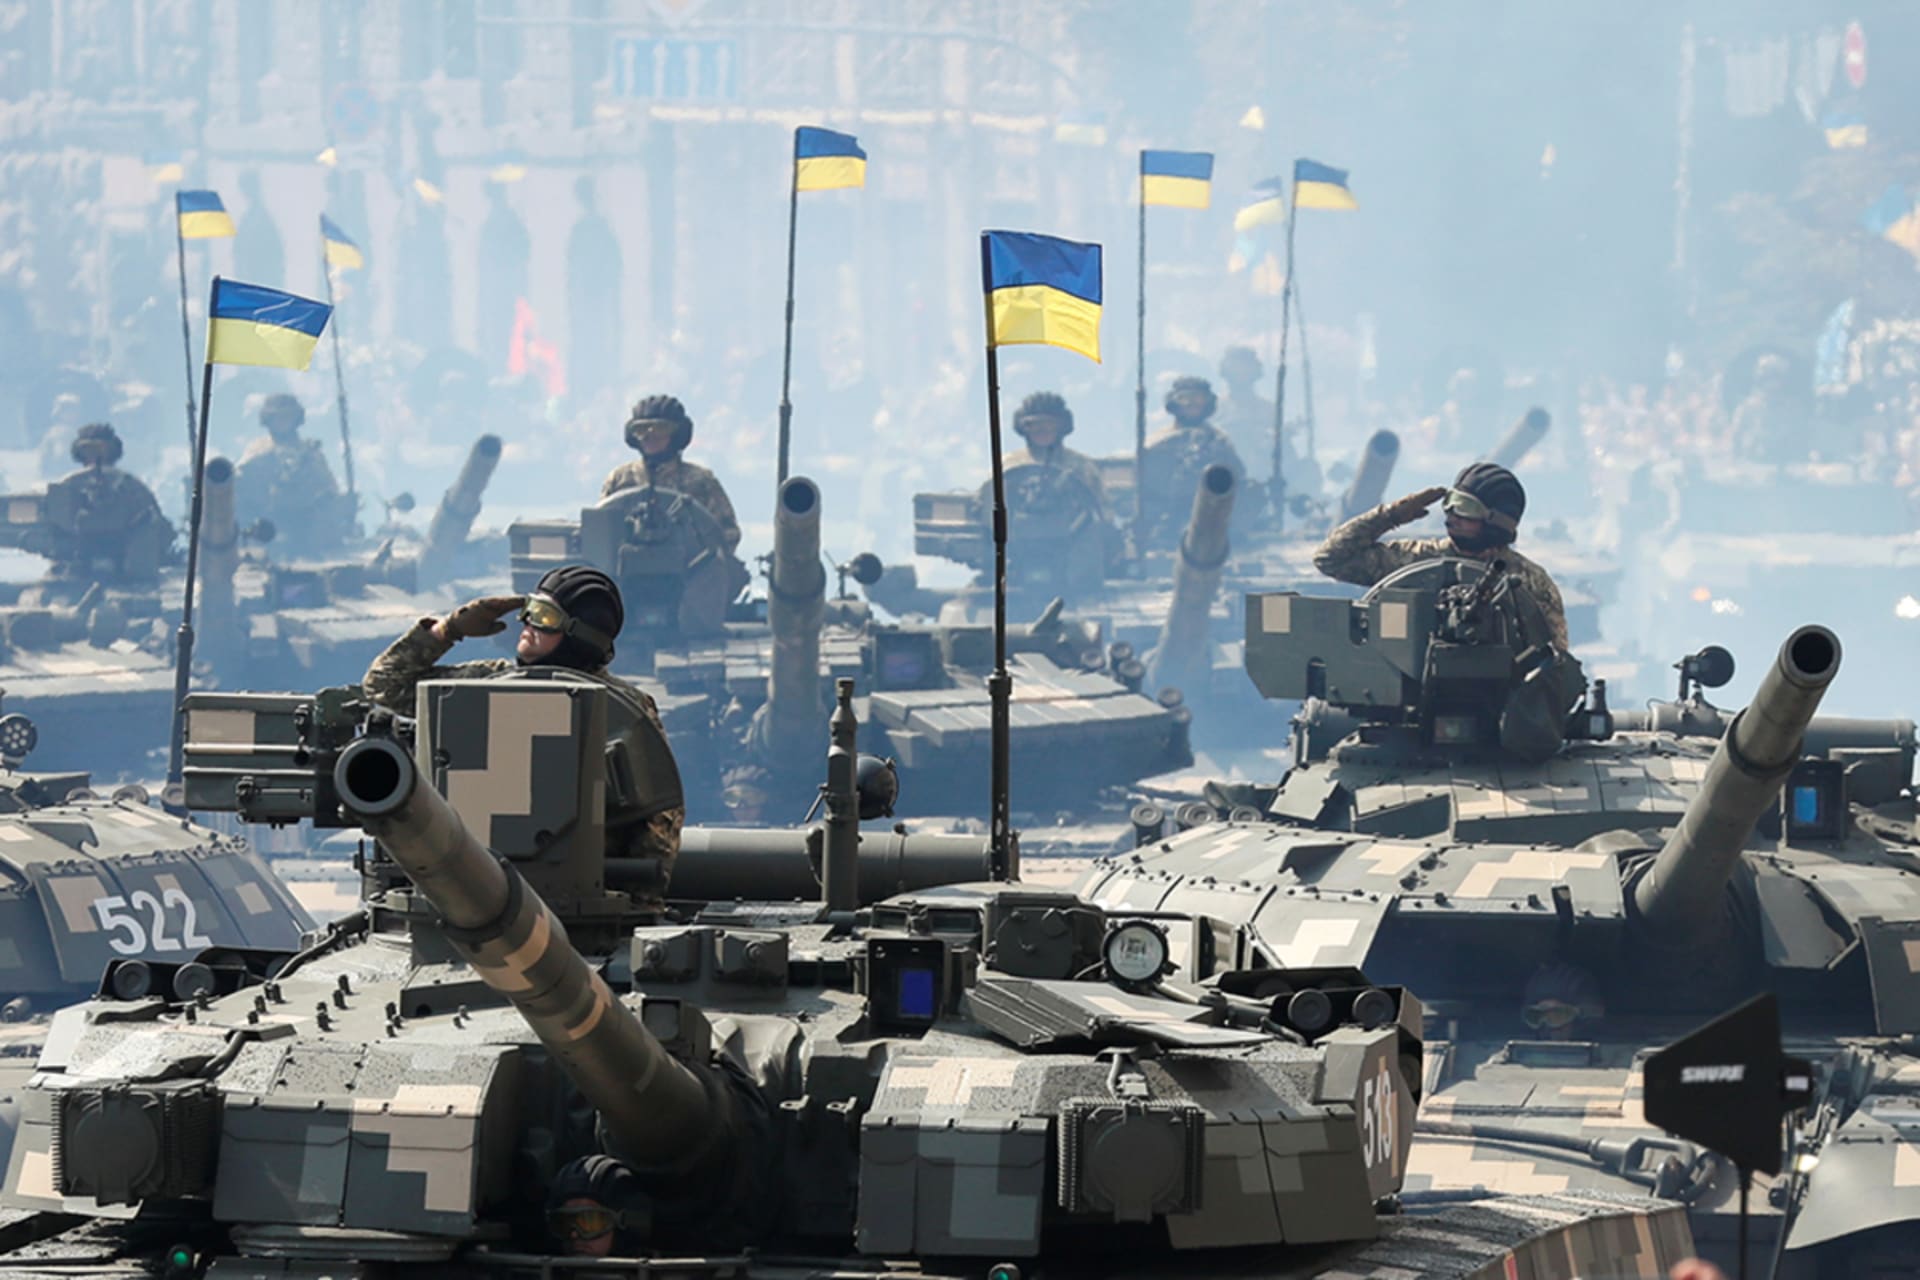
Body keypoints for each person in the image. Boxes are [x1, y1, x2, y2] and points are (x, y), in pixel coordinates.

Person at [360, 564, 683, 903]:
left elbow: (657, 813)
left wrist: (635, 907)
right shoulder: (487, 684)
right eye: (529, 610)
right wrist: (448, 629)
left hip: (577, 895)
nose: (527, 624)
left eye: (544, 616)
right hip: (467, 885)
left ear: (579, 634)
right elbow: (384, 685)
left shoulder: (622, 710)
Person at [1313, 461, 1571, 650]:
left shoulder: (1530, 582)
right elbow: (1330, 558)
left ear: (1496, 522)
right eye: (1450, 502)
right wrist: (1390, 516)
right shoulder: (1418, 561)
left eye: (1465, 508)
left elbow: (1555, 660)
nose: (1451, 515)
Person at [600, 394, 741, 555]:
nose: (650, 436)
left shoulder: (701, 482)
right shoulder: (620, 479)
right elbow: (599, 532)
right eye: (641, 430)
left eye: (660, 429)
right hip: (625, 574)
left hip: (687, 575)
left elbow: (728, 534)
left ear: (677, 434)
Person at [43, 423, 172, 583]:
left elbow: (158, 528)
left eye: (101, 450)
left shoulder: (132, 487)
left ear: (113, 451)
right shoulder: (67, 487)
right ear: (79, 453)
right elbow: (52, 529)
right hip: (74, 571)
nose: (96, 456)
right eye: (89, 450)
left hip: (129, 571)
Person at [235, 394, 352, 556]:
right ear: (268, 419)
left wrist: (338, 501)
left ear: (297, 418)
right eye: (278, 417)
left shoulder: (310, 452)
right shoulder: (258, 449)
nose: (283, 422)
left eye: (288, 416)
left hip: (307, 525)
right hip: (268, 526)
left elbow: (328, 485)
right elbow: (239, 481)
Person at [1140, 375, 1248, 544]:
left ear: (1208, 403)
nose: (1192, 406)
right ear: (1174, 403)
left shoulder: (1219, 440)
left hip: (1214, 518)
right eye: (1185, 399)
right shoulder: (1157, 443)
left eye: (1198, 399)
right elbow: (1144, 485)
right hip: (1164, 520)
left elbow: (1237, 478)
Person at [1217, 346, 1322, 497]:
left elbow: (1285, 453)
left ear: (1255, 371)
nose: (1241, 372)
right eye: (1236, 367)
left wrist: (1283, 435)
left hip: (1264, 483)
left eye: (1246, 367)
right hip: (1226, 482)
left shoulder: (1268, 410)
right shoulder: (1216, 409)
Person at [998, 391, 1108, 519]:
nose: (1042, 431)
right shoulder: (1007, 466)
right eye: (1035, 426)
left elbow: (1102, 514)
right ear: (1023, 428)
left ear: (1062, 428)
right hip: (1013, 537)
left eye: (1049, 426)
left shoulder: (1081, 468)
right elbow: (986, 510)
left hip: (1072, 537)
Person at [545, 1155, 641, 1258]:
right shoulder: (544, 1272)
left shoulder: (653, 1273)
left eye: (590, 1222)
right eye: (564, 1224)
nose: (574, 1235)